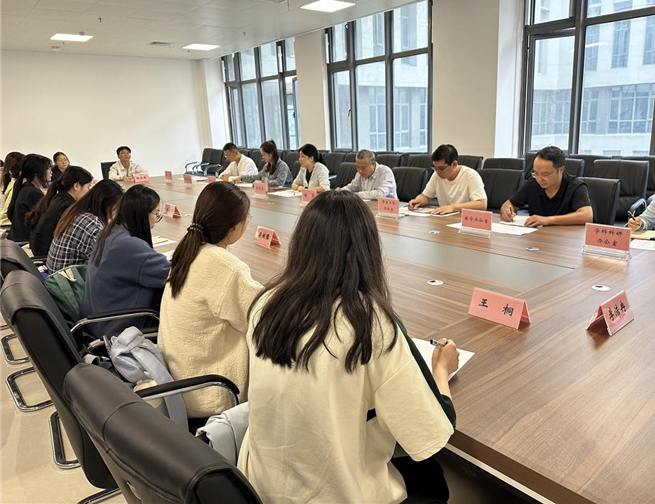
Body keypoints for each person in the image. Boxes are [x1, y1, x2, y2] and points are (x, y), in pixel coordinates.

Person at [239, 191, 459, 504]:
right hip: (335, 494)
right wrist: (441, 369)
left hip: (260, 485)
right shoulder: (370, 324)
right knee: (431, 475)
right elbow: (432, 429)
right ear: (368, 250)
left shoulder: (265, 303)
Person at [159, 182, 262, 417]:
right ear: (235, 226)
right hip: (212, 393)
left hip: (181, 381)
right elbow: (262, 318)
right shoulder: (226, 267)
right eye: (247, 217)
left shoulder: (187, 251)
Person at [80, 185, 170, 339]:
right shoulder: (129, 246)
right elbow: (173, 274)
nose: (157, 219)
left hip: (96, 321)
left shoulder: (109, 232)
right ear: (142, 214)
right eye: (156, 214)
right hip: (116, 330)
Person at [500, 146, 593, 227]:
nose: (539, 179)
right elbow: (509, 203)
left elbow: (587, 216)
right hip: (537, 236)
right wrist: (507, 211)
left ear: (561, 170)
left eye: (545, 175)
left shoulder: (576, 186)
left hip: (566, 238)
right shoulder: (533, 183)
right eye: (536, 173)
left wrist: (548, 220)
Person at [46, 180, 123, 274]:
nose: (116, 213)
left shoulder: (77, 212)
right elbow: (107, 261)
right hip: (69, 281)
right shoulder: (91, 223)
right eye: (116, 208)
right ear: (106, 205)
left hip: (56, 276)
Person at [28, 166, 93, 257]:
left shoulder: (58, 198)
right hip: (46, 255)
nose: (89, 192)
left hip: (40, 250)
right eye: (88, 187)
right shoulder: (66, 205)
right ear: (76, 186)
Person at [408, 144, 487, 214]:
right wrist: (418, 200)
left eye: (441, 168)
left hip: (464, 219)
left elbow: (482, 204)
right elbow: (426, 196)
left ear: (454, 164)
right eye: (435, 168)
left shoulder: (470, 176)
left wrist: (453, 207)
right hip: (444, 218)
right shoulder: (436, 175)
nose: (438, 172)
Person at [7, 154, 52, 242]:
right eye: (48, 169)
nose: (51, 172)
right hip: (25, 242)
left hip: (18, 239)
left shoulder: (26, 188)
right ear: (37, 174)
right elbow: (45, 221)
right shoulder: (33, 193)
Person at [0, 152, 24, 231]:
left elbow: (7, 209)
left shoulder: (14, 182)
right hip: (5, 223)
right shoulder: (13, 182)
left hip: (5, 223)